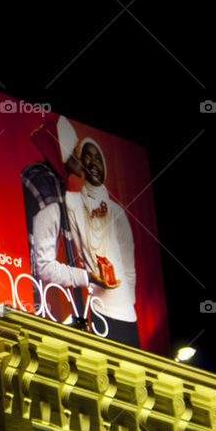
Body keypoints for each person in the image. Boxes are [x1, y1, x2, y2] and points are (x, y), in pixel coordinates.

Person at [23, 115, 117, 320]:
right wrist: (88, 277)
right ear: (64, 154)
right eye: (76, 152)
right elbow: (45, 267)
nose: (83, 161)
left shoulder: (36, 174)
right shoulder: (50, 196)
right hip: (27, 298)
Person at [65, 137, 140, 347]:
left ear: (104, 166)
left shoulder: (117, 212)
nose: (92, 163)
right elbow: (78, 253)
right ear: (81, 162)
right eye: (86, 156)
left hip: (125, 309)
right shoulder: (73, 203)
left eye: (97, 158)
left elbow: (129, 266)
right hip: (98, 306)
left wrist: (125, 299)